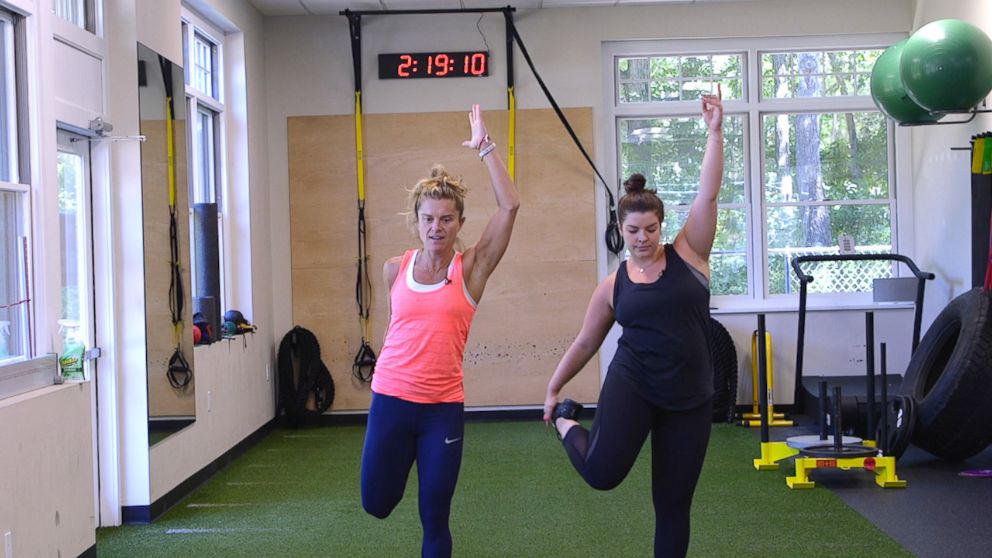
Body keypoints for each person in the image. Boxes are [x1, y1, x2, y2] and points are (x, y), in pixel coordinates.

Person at [543, 87, 723, 558]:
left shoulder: (691, 255)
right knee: (602, 474)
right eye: (632, 231)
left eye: (651, 229)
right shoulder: (612, 286)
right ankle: (568, 425)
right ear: (620, 231)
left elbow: (708, 193)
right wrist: (553, 390)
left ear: (662, 226)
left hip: (690, 397)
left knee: (673, 503)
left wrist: (715, 132)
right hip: (634, 384)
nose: (642, 239)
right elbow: (586, 342)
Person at [360, 104, 520, 558]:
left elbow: (510, 205)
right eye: (429, 218)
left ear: (460, 224)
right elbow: (398, 333)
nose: (437, 227)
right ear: (417, 220)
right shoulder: (395, 269)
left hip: (441, 412)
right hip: (390, 401)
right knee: (376, 504)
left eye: (446, 219)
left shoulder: (471, 271)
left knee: (435, 515)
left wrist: (485, 147)